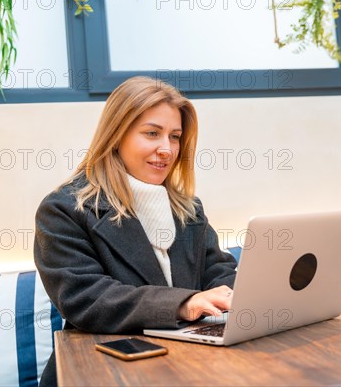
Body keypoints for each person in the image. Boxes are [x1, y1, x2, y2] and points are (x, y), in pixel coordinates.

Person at [34, 76, 237, 386]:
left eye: (174, 136)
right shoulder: (64, 209)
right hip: (104, 368)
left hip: (189, 363)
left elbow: (218, 270)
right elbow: (87, 298)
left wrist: (239, 295)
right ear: (116, 135)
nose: (167, 149)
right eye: (152, 133)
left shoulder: (187, 208)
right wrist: (184, 303)